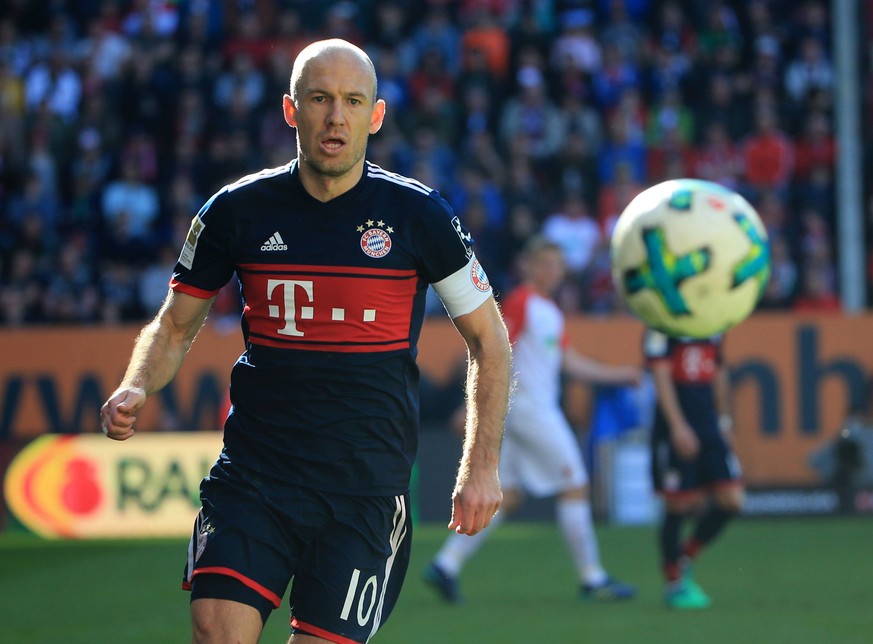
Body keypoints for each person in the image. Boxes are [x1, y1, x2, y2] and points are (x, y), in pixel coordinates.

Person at [100, 39, 511, 644]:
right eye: (320, 99)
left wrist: (481, 467)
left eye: (352, 101)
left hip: (363, 489)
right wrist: (136, 383)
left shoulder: (420, 216)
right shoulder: (235, 211)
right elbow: (174, 323)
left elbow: (490, 341)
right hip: (255, 475)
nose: (335, 116)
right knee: (216, 631)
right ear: (292, 110)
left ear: (375, 116)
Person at [425, 236, 640, 603]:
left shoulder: (550, 310)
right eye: (544, 263)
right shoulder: (523, 301)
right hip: (529, 409)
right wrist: (471, 404)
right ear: (529, 265)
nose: (551, 271)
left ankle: (446, 565)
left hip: (523, 411)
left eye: (556, 265)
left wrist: (620, 374)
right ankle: (592, 578)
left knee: (507, 496)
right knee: (575, 484)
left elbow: (569, 362)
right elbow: (490, 347)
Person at [643, 328, 744, 609]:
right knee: (679, 504)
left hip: (709, 427)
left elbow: (719, 373)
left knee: (732, 500)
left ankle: (684, 557)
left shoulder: (713, 322)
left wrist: (724, 423)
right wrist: (677, 426)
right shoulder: (661, 325)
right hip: (674, 429)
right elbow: (660, 375)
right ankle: (674, 583)